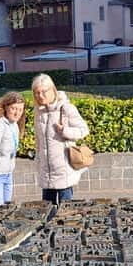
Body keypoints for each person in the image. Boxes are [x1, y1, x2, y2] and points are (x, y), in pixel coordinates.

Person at [31, 73, 89, 204]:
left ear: (52, 90)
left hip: (64, 168)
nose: (40, 96)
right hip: (46, 170)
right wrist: (38, 158)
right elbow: (39, 140)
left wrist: (65, 131)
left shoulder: (66, 108)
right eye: (36, 93)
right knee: (45, 210)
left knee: (65, 210)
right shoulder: (38, 112)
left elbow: (84, 130)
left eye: (44, 92)